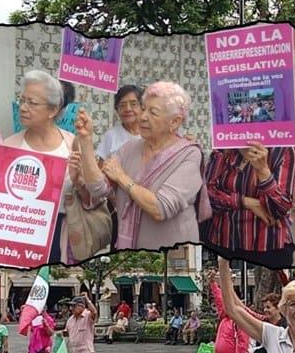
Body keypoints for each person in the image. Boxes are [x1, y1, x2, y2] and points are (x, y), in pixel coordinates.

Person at [76, 81, 210, 250]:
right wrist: (86, 142)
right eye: (144, 109)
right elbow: (97, 188)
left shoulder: (189, 154)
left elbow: (160, 208)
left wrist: (122, 178)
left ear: (175, 122)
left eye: (152, 112)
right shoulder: (129, 148)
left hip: (173, 255)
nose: (143, 116)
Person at [5, 70, 89, 263]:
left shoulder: (73, 145)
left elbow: (89, 200)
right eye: (22, 100)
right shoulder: (8, 146)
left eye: (32, 103)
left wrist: (78, 181)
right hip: (17, 235)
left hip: (60, 235)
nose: (23, 108)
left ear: (52, 110)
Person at [203, 142, 295, 269]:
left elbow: (280, 208)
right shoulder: (224, 146)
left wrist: (263, 171)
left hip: (268, 246)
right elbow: (207, 195)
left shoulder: (284, 148)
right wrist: (246, 202)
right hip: (223, 241)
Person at [96, 85, 143, 161]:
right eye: (122, 105)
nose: (128, 109)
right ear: (117, 110)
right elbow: (101, 170)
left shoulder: (149, 136)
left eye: (133, 104)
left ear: (142, 107)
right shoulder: (111, 135)